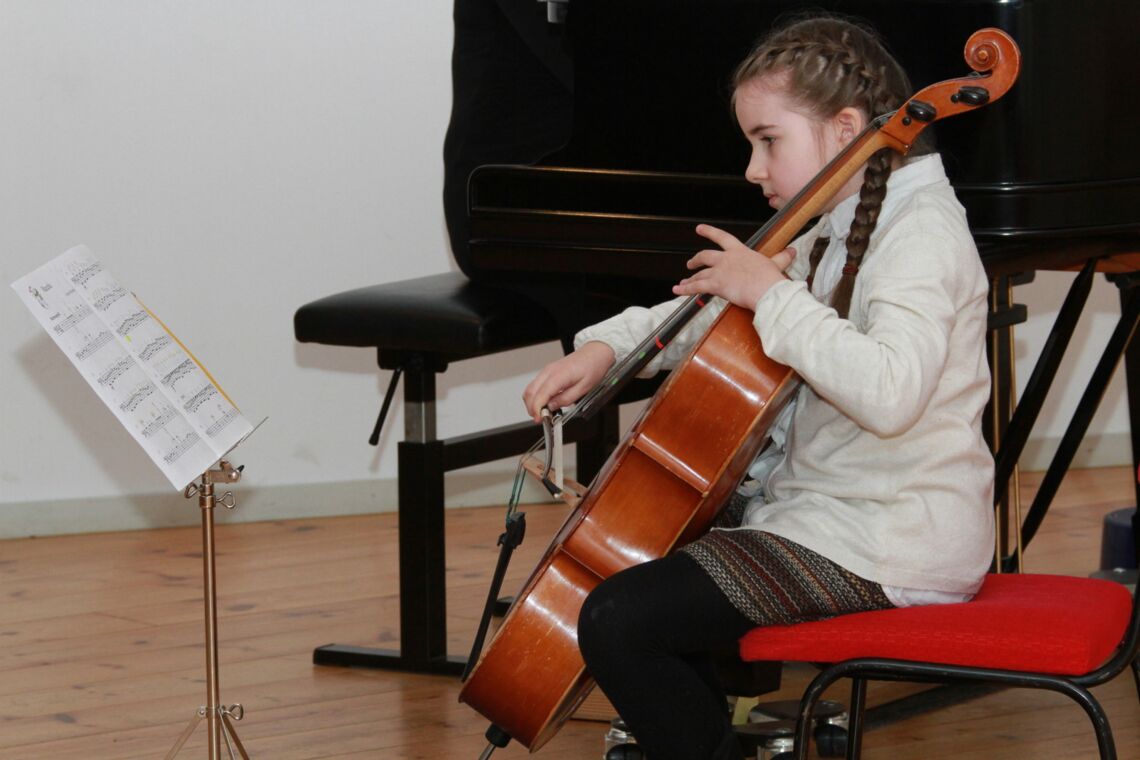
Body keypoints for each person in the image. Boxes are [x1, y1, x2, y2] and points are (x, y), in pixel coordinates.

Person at [521, 14, 995, 760]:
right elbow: (718, 310)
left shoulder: (921, 232)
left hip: (890, 540)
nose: (753, 168)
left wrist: (771, 294)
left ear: (845, 129)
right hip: (828, 511)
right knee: (642, 549)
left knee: (621, 619)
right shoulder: (843, 217)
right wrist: (610, 348)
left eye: (768, 140)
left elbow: (891, 392)